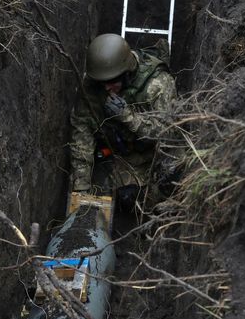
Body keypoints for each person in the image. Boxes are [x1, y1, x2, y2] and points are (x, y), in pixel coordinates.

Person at [68, 33, 177, 210]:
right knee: (114, 197)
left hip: (152, 156)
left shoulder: (158, 85)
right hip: (121, 154)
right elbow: (81, 129)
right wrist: (81, 188)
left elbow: (169, 134)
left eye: (111, 82)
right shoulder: (95, 83)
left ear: (127, 73)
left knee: (154, 195)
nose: (106, 88)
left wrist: (129, 117)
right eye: (101, 82)